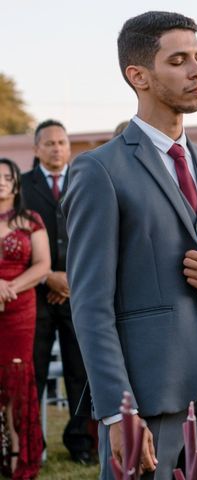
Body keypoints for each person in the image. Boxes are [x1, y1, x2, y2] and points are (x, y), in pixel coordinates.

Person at [63, 12, 197, 480]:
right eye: (178, 60)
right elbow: (90, 304)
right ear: (139, 76)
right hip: (147, 395)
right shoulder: (99, 171)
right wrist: (117, 410)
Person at [21, 119, 96, 464]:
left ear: (69, 147)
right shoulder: (21, 186)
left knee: (80, 369)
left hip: (78, 292)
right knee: (33, 370)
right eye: (48, 143)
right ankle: (31, 443)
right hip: (35, 294)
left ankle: (80, 442)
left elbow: (96, 236)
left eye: (62, 142)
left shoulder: (86, 182)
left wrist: (69, 279)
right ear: (36, 149)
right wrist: (48, 275)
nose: (56, 148)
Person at [0, 158, 50, 479]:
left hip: (20, 308)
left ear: (16, 184)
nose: (1, 181)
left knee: (16, 378)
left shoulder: (30, 219)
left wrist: (9, 289)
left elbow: (43, 265)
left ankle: (19, 452)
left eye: (7, 177)